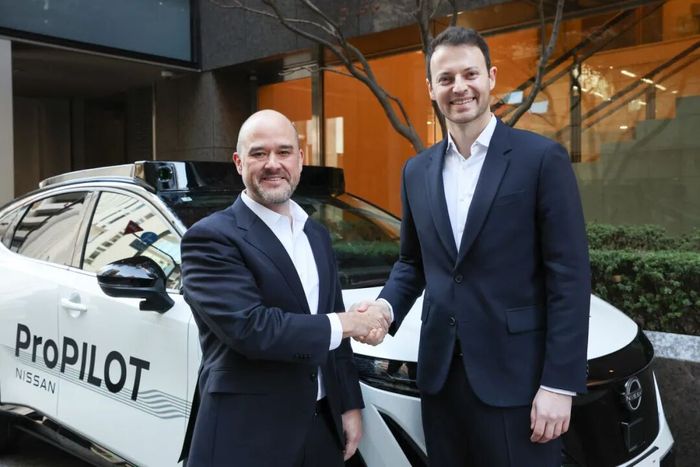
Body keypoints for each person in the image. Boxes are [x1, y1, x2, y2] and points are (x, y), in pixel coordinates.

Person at [357, 27, 591, 466]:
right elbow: (412, 262)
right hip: (440, 381)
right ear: (431, 88)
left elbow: (570, 277)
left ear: (491, 78)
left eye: (470, 74)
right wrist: (385, 309)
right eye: (446, 78)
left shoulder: (541, 159)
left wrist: (559, 384)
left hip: (519, 383)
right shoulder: (416, 171)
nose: (459, 87)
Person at [178, 109, 390, 467]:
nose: (273, 164)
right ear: (238, 163)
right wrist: (349, 322)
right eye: (259, 153)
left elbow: (333, 335)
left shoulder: (316, 234)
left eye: (284, 152)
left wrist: (349, 404)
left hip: (320, 427)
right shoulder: (210, 238)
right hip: (246, 435)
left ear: (300, 160)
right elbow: (252, 329)